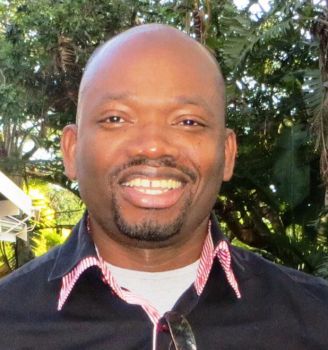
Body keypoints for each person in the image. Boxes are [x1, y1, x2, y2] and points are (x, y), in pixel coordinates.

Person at [0, 24, 327, 350]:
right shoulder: (9, 323)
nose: (153, 146)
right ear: (71, 150)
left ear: (227, 154)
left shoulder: (315, 320)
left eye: (188, 122)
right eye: (116, 118)